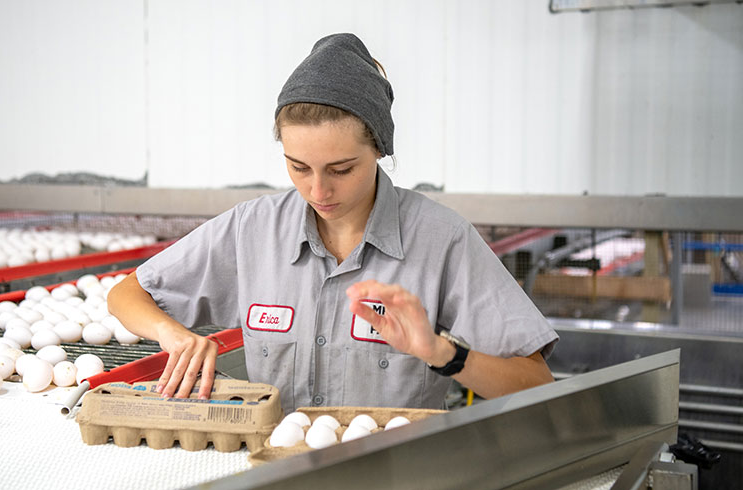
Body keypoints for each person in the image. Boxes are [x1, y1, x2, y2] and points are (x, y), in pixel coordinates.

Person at [107, 33, 558, 414]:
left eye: (341, 169)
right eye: (298, 167)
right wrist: (175, 335)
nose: (318, 191)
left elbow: (539, 384)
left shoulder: (442, 240)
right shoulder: (253, 230)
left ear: (379, 149)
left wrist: (441, 353)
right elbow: (127, 294)